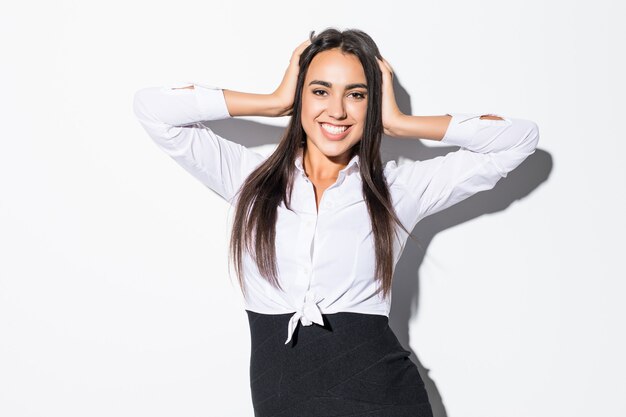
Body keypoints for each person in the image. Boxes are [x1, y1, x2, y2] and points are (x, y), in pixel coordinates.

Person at [133, 27, 539, 417]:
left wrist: (398, 122)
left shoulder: (398, 190)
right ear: (301, 96)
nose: (338, 110)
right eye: (320, 91)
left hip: (386, 399)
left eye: (357, 95)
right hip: (282, 401)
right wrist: (273, 102)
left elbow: (518, 140)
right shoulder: (247, 179)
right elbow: (153, 110)